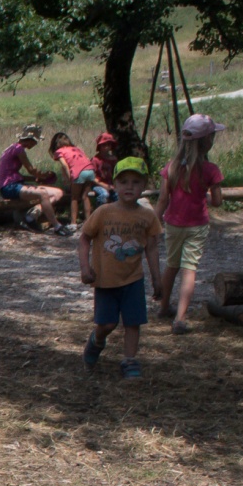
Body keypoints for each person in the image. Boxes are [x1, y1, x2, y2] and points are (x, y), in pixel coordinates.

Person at [79, 158, 164, 381]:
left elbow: (152, 248)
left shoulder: (147, 216)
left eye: (136, 182)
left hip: (133, 279)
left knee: (133, 322)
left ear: (144, 185)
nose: (129, 187)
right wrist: (85, 268)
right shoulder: (104, 212)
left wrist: (157, 278)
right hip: (105, 279)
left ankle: (129, 359)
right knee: (107, 324)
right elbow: (85, 238)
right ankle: (96, 341)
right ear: (114, 185)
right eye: (124, 181)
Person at [155, 114, 225, 335]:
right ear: (207, 141)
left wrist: (154, 222)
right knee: (189, 269)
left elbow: (163, 199)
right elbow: (217, 201)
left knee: (171, 266)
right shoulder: (211, 170)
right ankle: (180, 319)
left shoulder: (171, 167)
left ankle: (164, 307)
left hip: (173, 224)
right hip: (197, 225)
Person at [0, 123, 71, 236]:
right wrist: (42, 176)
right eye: (35, 141)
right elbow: (30, 169)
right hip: (8, 187)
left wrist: (36, 178)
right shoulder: (18, 149)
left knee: (58, 193)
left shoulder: (15, 148)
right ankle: (57, 226)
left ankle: (31, 216)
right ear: (30, 139)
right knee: (42, 193)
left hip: (17, 183)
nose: (36, 144)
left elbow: (15, 174)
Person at [49, 131, 107, 227]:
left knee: (74, 198)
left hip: (79, 172)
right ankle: (88, 221)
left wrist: (70, 179)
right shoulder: (76, 149)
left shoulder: (59, 152)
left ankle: (73, 223)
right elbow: (86, 159)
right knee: (85, 196)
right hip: (90, 170)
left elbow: (65, 165)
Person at [92, 131, 120, 201]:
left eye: (109, 145)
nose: (106, 147)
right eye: (104, 145)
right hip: (98, 185)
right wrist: (103, 185)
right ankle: (101, 211)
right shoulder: (95, 160)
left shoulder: (114, 159)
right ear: (100, 146)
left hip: (111, 184)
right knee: (104, 194)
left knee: (118, 194)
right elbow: (92, 177)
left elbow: (117, 174)